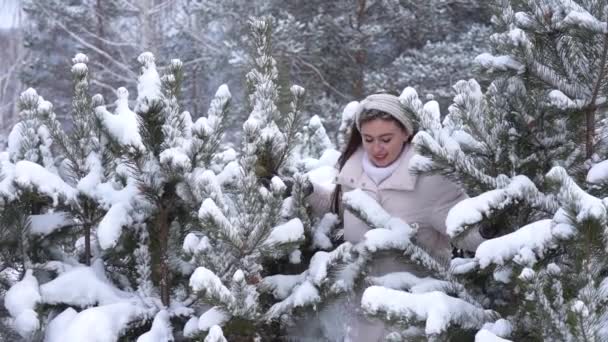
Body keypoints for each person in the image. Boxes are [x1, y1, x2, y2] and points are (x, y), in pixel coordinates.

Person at [305, 93, 485, 341]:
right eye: (368, 139)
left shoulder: (430, 179)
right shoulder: (353, 173)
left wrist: (491, 230)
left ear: (405, 133)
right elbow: (337, 207)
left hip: (414, 317)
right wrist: (305, 190)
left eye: (386, 139)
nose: (376, 148)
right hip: (361, 313)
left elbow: (464, 230)